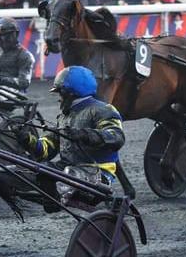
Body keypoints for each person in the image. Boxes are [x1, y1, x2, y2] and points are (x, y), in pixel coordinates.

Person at [8, 66, 126, 210]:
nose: (59, 99)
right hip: (68, 169)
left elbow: (116, 138)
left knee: (46, 173)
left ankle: (54, 201)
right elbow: (46, 150)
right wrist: (26, 138)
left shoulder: (104, 110)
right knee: (27, 170)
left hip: (97, 174)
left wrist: (84, 134)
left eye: (60, 94)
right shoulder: (64, 116)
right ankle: (51, 199)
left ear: (70, 93)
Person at [0, 18, 34, 101]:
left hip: (13, 91)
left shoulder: (25, 55)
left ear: (16, 34)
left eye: (9, 35)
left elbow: (24, 83)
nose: (5, 38)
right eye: (2, 35)